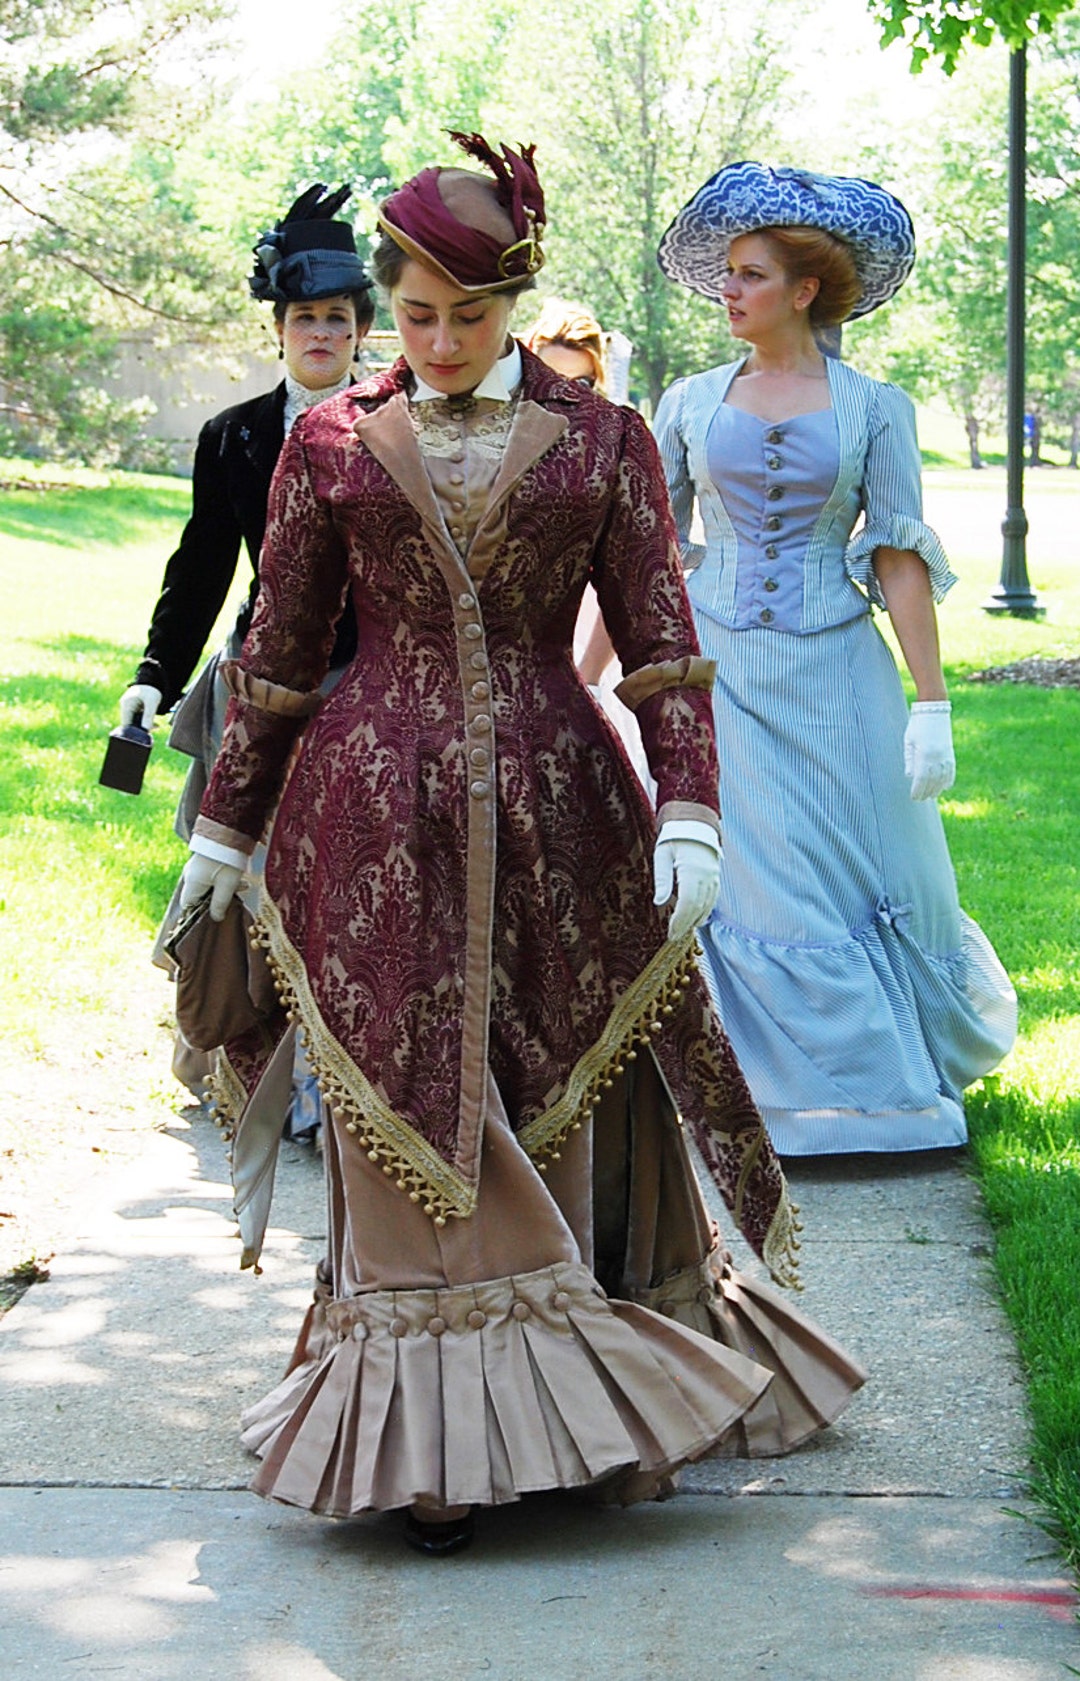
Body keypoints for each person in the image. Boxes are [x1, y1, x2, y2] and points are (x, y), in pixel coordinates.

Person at [178, 134, 864, 1554]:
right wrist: (226, 832)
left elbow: (668, 652)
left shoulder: (604, 442)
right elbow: (281, 655)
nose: (437, 342)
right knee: (409, 1102)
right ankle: (432, 1450)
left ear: (517, 293)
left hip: (565, 808)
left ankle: (602, 1420)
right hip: (368, 817)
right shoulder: (327, 441)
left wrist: (690, 809)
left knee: (565, 1085)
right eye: (412, 314)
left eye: (469, 315)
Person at [652, 161, 1017, 1157]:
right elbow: (649, 553)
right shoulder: (685, 403)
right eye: (726, 272)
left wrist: (931, 704)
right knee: (759, 877)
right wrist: (597, 675)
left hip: (838, 669)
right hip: (719, 666)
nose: (729, 290)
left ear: (805, 291)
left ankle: (878, 1091)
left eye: (751, 275)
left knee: (874, 869)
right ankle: (763, 1093)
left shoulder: (873, 408)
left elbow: (896, 556)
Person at [119, 184, 375, 1116]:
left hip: (365, 690)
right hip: (258, 684)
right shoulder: (232, 436)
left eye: (337, 318)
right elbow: (200, 569)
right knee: (241, 876)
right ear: (278, 329)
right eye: (304, 316)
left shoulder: (397, 426)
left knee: (345, 886)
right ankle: (242, 1065)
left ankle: (338, 1085)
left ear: (360, 330)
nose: (320, 333)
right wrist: (155, 677)